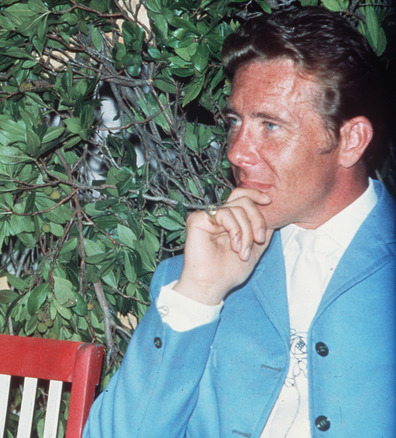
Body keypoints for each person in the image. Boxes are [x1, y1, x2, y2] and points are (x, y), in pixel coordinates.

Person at [84, 6, 395, 437]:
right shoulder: (199, 270)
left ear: (350, 141)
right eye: (235, 122)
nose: (236, 152)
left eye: (269, 125)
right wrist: (200, 294)